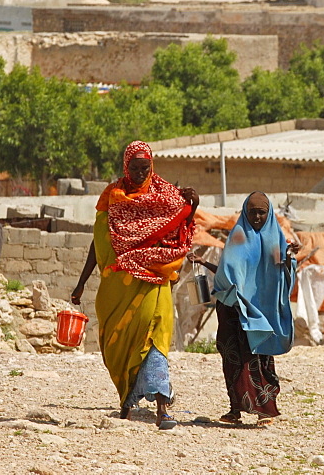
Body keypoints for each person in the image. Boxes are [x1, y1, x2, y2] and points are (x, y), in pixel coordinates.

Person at [71, 140, 199, 430]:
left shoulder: (165, 194)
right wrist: (81, 283)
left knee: (155, 339)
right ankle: (127, 403)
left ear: (152, 166)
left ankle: (162, 408)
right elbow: (100, 242)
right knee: (120, 348)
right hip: (118, 288)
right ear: (125, 167)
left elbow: (180, 228)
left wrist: (194, 204)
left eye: (145, 167)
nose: (141, 173)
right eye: (134, 168)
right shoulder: (112, 198)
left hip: (154, 283)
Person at [189, 192, 299, 427]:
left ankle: (265, 410)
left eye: (262, 212)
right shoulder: (237, 237)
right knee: (233, 358)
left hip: (262, 311)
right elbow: (228, 271)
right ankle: (235, 408)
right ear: (245, 213)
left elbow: (281, 272)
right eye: (252, 212)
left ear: (269, 215)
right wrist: (203, 262)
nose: (257, 216)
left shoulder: (276, 240)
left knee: (260, 357)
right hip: (233, 309)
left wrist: (291, 258)